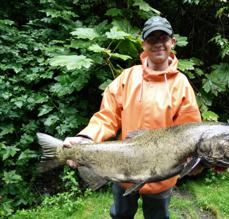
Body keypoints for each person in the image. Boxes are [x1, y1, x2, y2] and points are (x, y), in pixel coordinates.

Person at [64, 16, 202, 219]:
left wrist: (195, 159)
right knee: (121, 214)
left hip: (162, 178)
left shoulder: (181, 84)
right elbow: (107, 116)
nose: (158, 44)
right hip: (123, 171)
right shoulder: (127, 77)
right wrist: (86, 137)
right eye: (151, 39)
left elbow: (190, 131)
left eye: (162, 38)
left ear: (172, 42)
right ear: (143, 43)